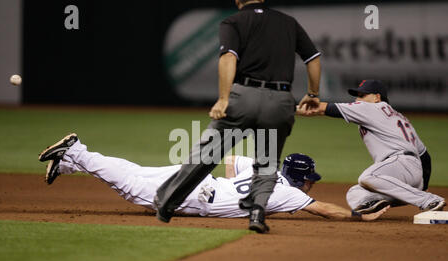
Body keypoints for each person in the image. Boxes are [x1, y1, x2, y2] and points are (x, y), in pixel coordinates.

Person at [154, 0, 322, 233]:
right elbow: (312, 58)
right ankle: (256, 212)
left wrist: (224, 98)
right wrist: (313, 93)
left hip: (244, 96)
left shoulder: (234, 21)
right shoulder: (288, 22)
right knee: (268, 162)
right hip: (280, 100)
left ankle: (166, 203)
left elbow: (228, 58)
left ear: (238, 0)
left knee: (208, 152)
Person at [37, 133, 389, 225]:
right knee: (132, 188)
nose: (312, 183)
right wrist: (362, 216)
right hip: (196, 196)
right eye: (310, 179)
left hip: (199, 181)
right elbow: (326, 210)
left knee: (133, 171)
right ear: (301, 180)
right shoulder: (288, 196)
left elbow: (232, 160)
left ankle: (69, 163)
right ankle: (77, 151)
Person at [296, 79, 446, 212]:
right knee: (356, 194)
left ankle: (429, 199)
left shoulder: (372, 108)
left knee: (368, 177)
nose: (357, 99)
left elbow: (322, 108)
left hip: (400, 163)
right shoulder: (399, 117)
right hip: (407, 171)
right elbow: (424, 156)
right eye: (357, 95)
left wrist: (289, 109)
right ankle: (389, 201)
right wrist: (422, 184)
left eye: (362, 95)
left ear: (377, 97)